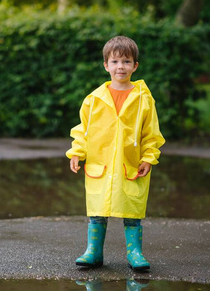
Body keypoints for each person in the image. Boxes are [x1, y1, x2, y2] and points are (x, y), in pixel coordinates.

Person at [66, 36, 165, 271]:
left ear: (135, 66)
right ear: (106, 65)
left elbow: (151, 132)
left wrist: (149, 157)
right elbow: (83, 129)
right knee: (98, 210)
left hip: (130, 164)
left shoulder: (144, 99)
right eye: (115, 61)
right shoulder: (93, 100)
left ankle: (135, 253)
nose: (121, 66)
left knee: (132, 210)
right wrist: (77, 152)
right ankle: (93, 252)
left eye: (127, 61)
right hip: (101, 166)